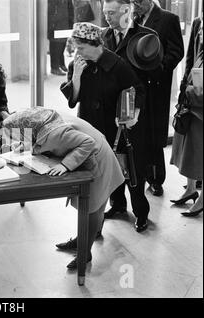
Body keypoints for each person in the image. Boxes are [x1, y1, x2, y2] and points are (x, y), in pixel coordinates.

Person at [3, 107, 124, 269]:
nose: (13, 140)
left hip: (98, 159)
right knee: (88, 207)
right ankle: (81, 240)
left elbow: (87, 142)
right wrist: (26, 147)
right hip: (91, 155)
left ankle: (84, 253)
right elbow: (48, 141)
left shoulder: (53, 135)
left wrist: (65, 165)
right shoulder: (43, 120)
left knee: (92, 209)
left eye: (15, 136)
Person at [60, 22, 149, 233]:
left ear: (95, 44)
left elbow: (137, 90)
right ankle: (116, 206)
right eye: (75, 48)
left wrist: (132, 115)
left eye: (81, 48)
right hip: (90, 126)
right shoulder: (78, 64)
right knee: (101, 171)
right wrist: (76, 77)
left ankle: (141, 213)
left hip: (117, 127)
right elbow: (73, 100)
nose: (77, 52)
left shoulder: (117, 64)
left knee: (130, 172)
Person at [101, 0, 162, 227]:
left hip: (135, 112)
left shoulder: (146, 37)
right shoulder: (103, 35)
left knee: (134, 165)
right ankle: (117, 205)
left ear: (126, 10)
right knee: (112, 162)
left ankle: (141, 213)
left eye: (111, 13)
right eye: (105, 13)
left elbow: (155, 76)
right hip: (109, 112)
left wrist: (136, 108)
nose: (107, 17)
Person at [131, 0, 184, 197]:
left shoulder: (169, 19)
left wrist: (158, 67)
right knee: (138, 132)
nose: (135, 6)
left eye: (137, 2)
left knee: (153, 134)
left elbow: (177, 50)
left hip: (156, 85)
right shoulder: (133, 17)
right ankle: (139, 177)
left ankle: (156, 180)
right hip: (136, 85)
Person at [170, 16, 203, 217]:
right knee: (188, 145)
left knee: (200, 148)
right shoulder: (199, 21)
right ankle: (191, 189)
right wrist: (184, 87)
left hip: (200, 99)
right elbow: (191, 55)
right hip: (193, 91)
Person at [47, 0, 74, 76]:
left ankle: (61, 64)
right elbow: (50, 10)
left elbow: (70, 8)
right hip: (55, 24)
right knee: (55, 45)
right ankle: (54, 67)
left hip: (64, 22)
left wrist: (71, 22)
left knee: (62, 44)